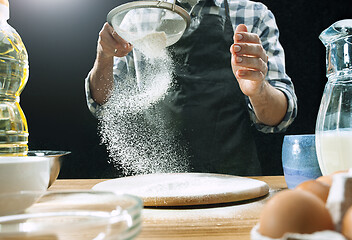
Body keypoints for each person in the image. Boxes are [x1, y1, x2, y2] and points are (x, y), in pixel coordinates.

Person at [85, 0, 297, 176]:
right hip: (157, 180)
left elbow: (279, 118)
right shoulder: (134, 18)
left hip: (233, 179)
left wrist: (258, 90)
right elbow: (106, 104)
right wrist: (104, 56)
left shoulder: (253, 14)